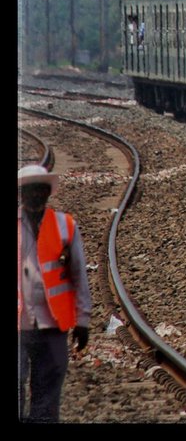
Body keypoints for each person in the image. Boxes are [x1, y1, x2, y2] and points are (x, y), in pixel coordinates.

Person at [18, 165, 92, 423]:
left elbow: (78, 274)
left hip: (53, 324)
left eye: (40, 190)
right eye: (29, 191)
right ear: (21, 194)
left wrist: (83, 321)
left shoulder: (65, 226)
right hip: (18, 325)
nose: (35, 196)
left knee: (48, 395)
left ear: (48, 194)